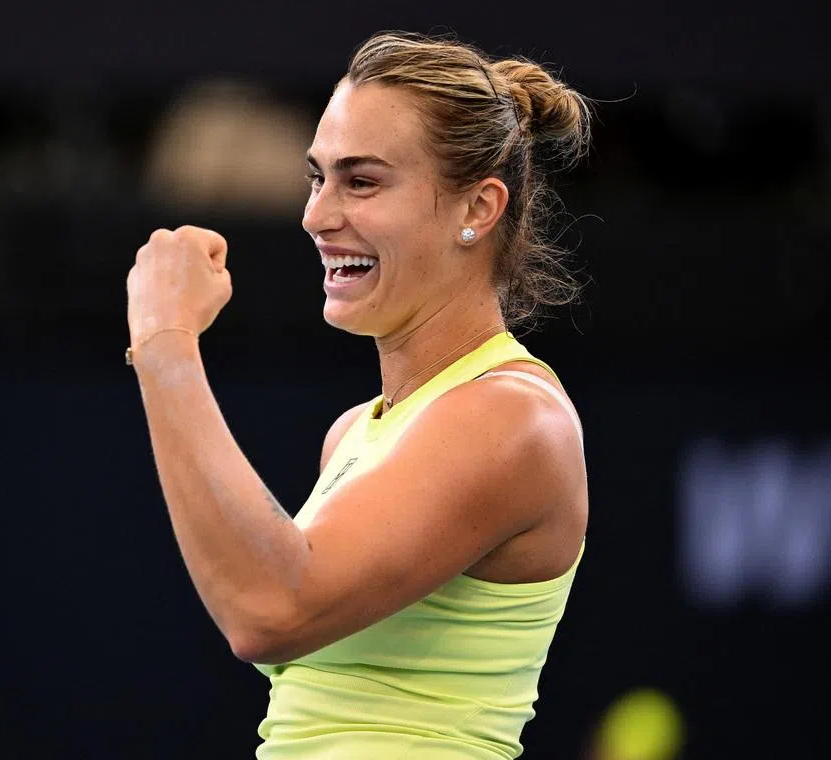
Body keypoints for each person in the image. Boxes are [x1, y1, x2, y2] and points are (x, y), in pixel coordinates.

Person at [124, 30, 591, 759]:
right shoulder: (353, 435)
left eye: (362, 181)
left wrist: (165, 343)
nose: (316, 215)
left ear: (479, 207)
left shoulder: (511, 418)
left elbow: (269, 611)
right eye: (317, 178)